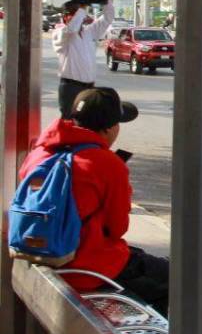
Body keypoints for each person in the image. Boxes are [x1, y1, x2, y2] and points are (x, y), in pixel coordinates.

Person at [18, 87, 169, 315]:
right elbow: (117, 228)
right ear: (109, 128)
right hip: (86, 268)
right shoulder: (106, 164)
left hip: (38, 258)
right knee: (173, 277)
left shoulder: (39, 153)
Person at [51, 0, 114, 118]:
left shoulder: (89, 32)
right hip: (71, 88)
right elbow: (72, 29)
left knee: (87, 122)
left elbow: (107, 19)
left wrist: (106, 2)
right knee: (70, 122)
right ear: (65, 17)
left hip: (89, 87)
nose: (78, 17)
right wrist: (81, 8)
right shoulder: (61, 33)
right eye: (74, 14)